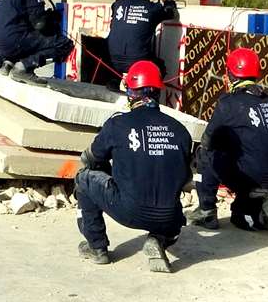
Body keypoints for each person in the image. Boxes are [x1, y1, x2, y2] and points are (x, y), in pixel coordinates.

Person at [74, 61, 192, 273]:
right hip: (170, 217)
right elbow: (184, 177)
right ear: (158, 92)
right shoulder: (180, 130)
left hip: (128, 210)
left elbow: (91, 158)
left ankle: (97, 247)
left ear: (131, 93)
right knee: (173, 214)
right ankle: (159, 238)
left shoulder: (118, 123)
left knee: (83, 179)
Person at [190, 47, 268, 247]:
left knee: (205, 154)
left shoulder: (229, 103)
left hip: (251, 180)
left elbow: (208, 141)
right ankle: (263, 208)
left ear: (229, 75)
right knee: (241, 212)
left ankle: (206, 211)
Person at [105, 0, 179, 86]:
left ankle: (114, 81)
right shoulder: (153, 9)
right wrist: (169, 4)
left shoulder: (118, 4)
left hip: (113, 62)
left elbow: (117, 10)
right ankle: (149, 96)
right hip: (138, 63)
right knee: (160, 66)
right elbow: (172, 14)